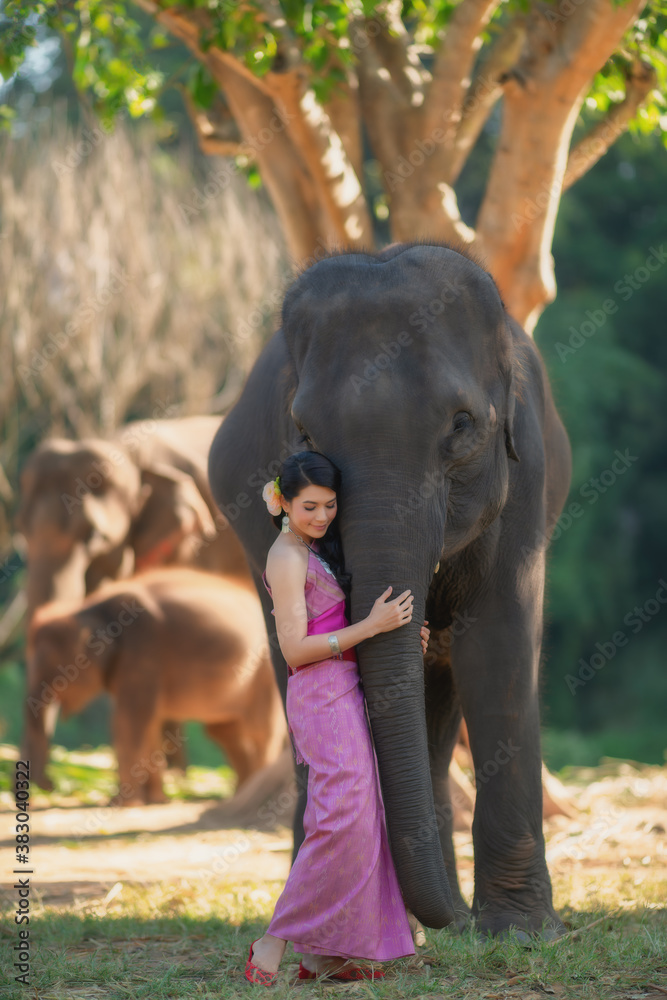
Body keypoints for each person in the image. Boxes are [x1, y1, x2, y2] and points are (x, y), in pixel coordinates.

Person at [245, 450, 429, 985]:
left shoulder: (311, 549)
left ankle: (324, 953)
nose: (322, 517)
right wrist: (372, 627)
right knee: (338, 820)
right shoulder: (285, 557)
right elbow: (296, 650)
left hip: (344, 687)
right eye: (309, 506)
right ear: (281, 501)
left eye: (329, 506)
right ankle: (275, 936)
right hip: (319, 695)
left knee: (359, 820)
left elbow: (338, 619)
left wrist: (394, 634)